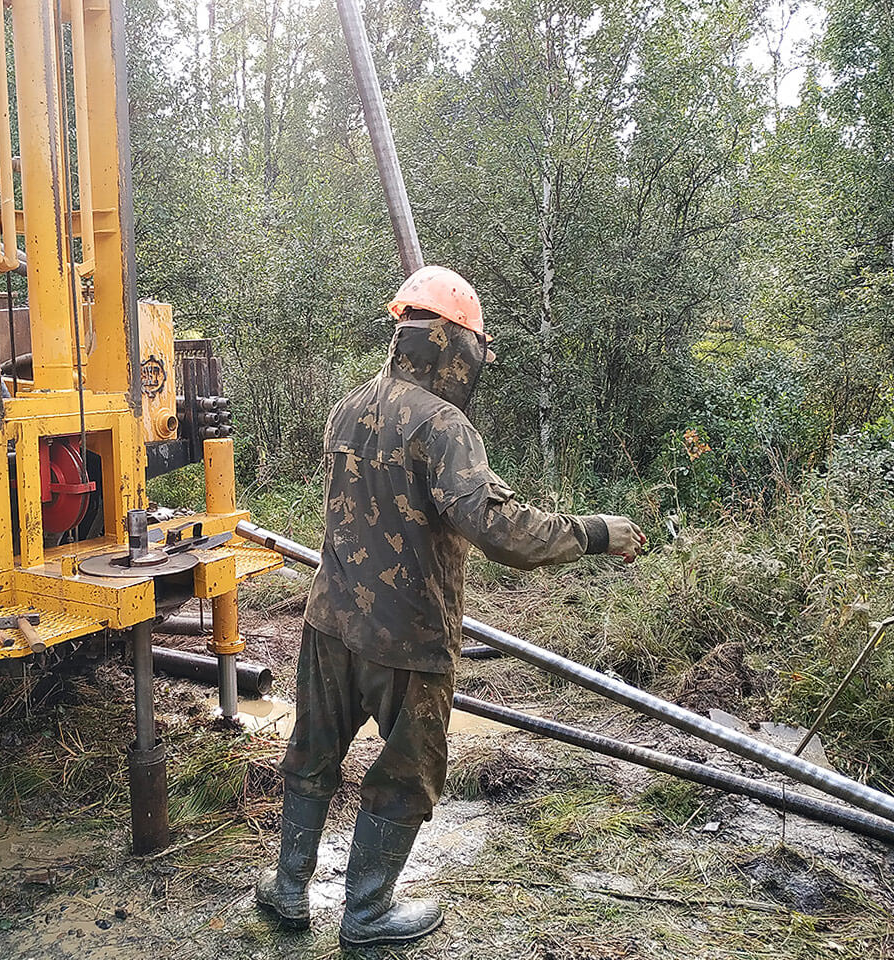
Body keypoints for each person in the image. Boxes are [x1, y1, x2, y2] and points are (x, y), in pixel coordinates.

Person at [255, 265, 646, 949]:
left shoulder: (348, 404)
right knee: (407, 773)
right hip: (409, 636)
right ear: (455, 346)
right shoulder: (444, 425)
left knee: (312, 753)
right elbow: (498, 528)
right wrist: (591, 532)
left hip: (330, 623)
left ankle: (289, 889)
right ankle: (368, 913)